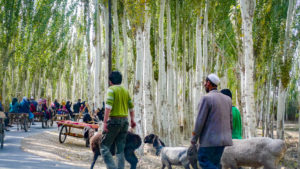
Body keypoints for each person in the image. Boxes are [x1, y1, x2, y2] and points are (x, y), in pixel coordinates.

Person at [190, 73, 232, 169]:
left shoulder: (206, 98)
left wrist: (193, 139)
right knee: (215, 163)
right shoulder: (227, 99)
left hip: (209, 142)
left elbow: (199, 121)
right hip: (223, 141)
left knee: (203, 160)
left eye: (205, 82)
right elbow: (230, 121)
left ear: (208, 83)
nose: (204, 84)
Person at [100, 71, 136, 169]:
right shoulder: (125, 91)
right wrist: (132, 120)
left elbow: (108, 107)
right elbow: (131, 107)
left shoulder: (111, 90)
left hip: (114, 121)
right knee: (120, 149)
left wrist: (104, 122)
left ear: (110, 81)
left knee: (104, 146)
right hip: (125, 122)